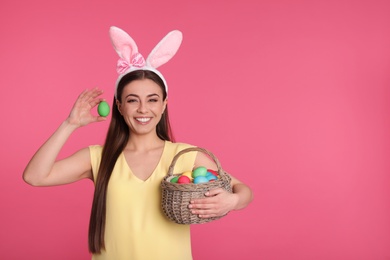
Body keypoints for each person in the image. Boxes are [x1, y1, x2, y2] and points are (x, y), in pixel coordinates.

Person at [23, 26, 253, 260]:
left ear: (163, 105)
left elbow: (244, 191)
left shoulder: (184, 156)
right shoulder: (98, 158)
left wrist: (231, 201)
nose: (143, 109)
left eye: (152, 100)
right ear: (120, 107)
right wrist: (70, 124)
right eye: (133, 100)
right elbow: (35, 176)